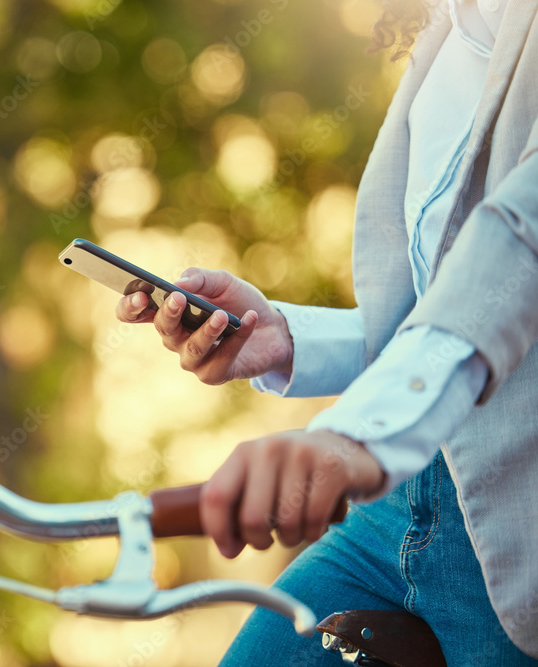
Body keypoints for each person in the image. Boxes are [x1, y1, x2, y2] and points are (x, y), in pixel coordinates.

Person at [117, 0, 538, 662]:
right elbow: (435, 306)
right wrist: (286, 336)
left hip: (517, 526)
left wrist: (358, 434)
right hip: (396, 505)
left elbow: (519, 251)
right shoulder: (449, 26)